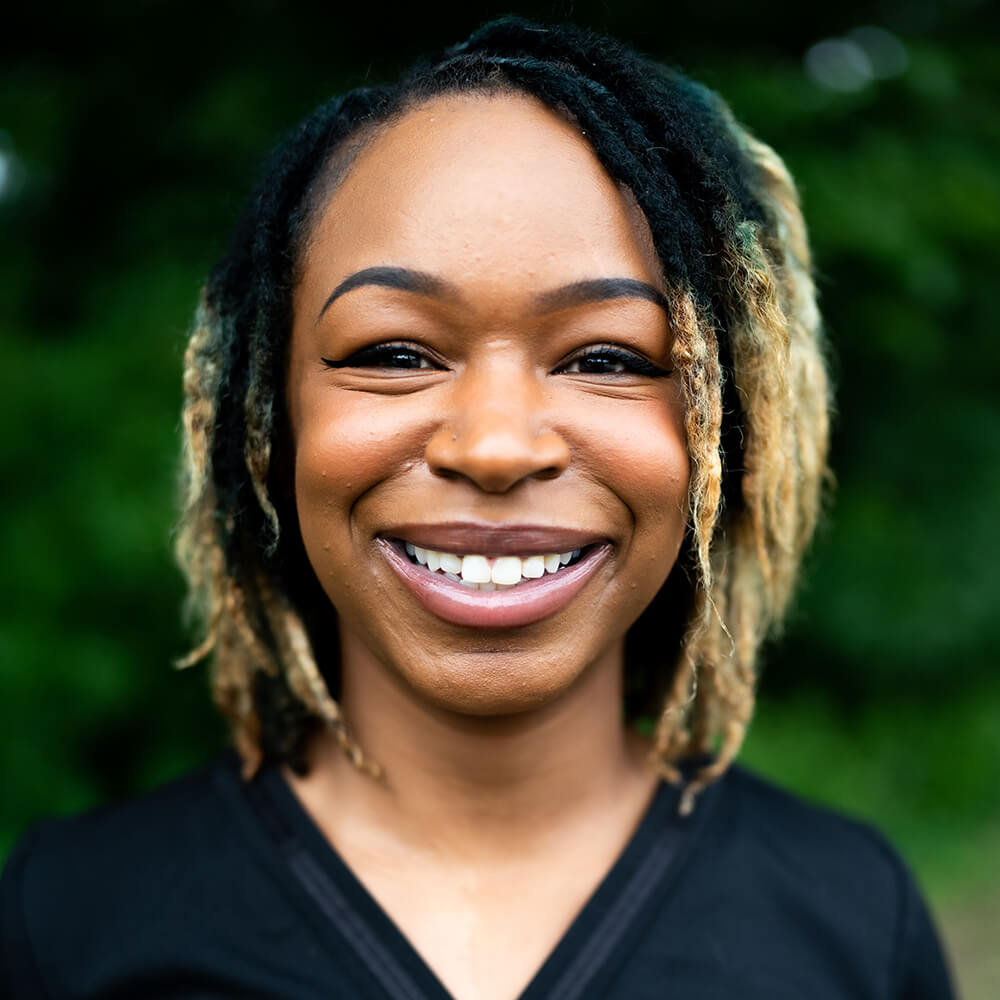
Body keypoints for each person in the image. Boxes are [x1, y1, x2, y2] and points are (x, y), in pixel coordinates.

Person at [0, 17, 955, 999]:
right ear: (264, 417)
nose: (495, 445)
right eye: (395, 353)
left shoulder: (849, 920)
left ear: (724, 428)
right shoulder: (67, 919)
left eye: (606, 357)